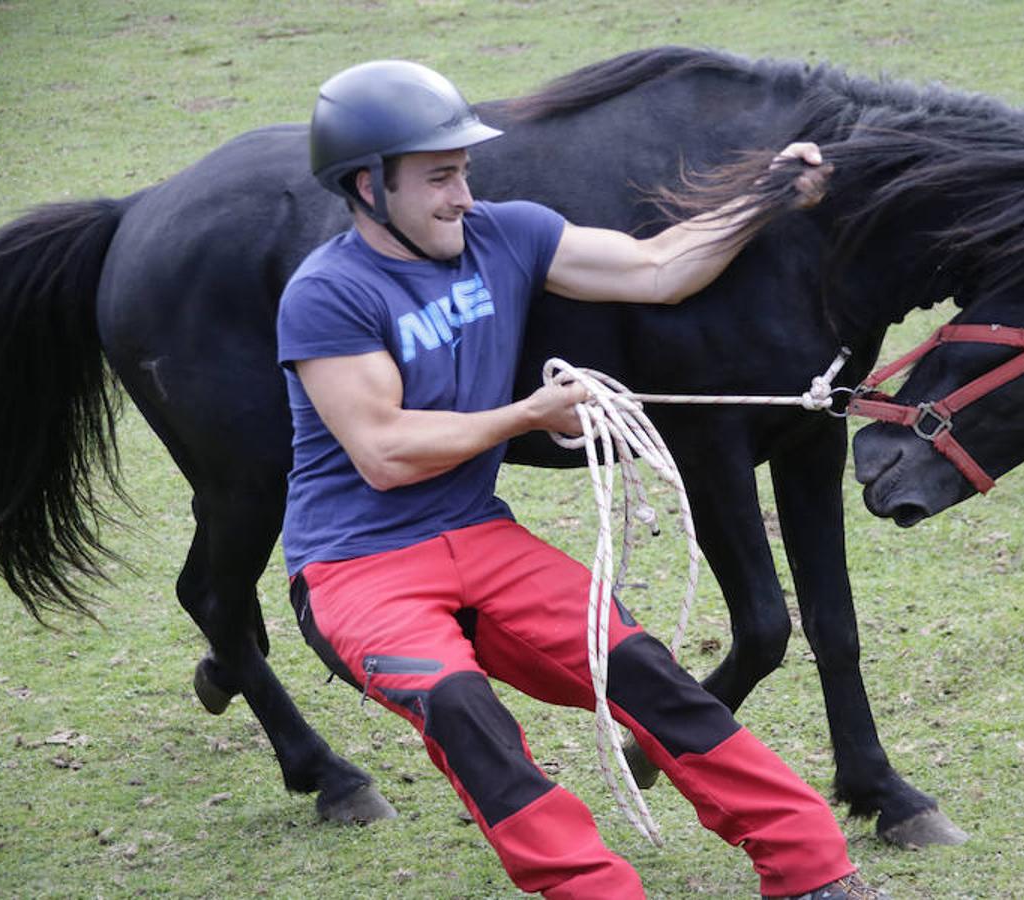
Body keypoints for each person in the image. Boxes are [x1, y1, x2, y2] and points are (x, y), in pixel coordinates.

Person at [278, 59, 880, 900]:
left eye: (465, 172)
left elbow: (660, 268)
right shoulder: (327, 293)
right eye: (439, 178)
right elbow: (384, 451)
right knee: (462, 709)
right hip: (355, 566)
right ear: (368, 188)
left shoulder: (505, 232)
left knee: (645, 670)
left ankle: (815, 870)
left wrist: (769, 193)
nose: (462, 195)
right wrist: (527, 416)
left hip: (481, 537)